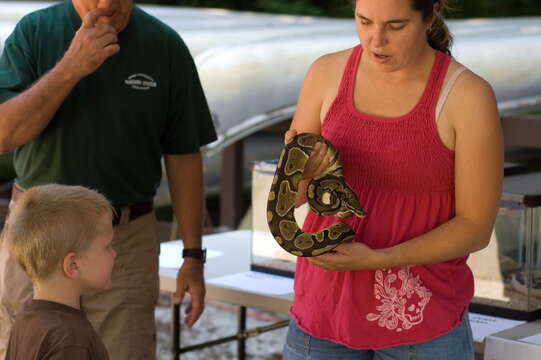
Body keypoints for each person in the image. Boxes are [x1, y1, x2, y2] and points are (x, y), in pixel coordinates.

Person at [282, 0, 503, 359]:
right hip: (322, 311)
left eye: (396, 26)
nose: (376, 40)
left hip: (424, 324)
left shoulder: (467, 95)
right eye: (364, 21)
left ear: (430, 14)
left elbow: (475, 227)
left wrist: (378, 259)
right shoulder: (325, 72)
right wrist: (299, 176)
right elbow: (291, 198)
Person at [0, 1, 217, 359]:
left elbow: (183, 156)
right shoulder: (35, 32)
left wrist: (193, 255)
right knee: (26, 349)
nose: (105, 4)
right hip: (36, 235)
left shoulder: (163, 45)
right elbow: (5, 134)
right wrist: (71, 67)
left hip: (122, 239)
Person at [5, 184, 114, 360]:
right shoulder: (70, 340)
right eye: (107, 247)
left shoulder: (27, 316)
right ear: (73, 265)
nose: (114, 253)